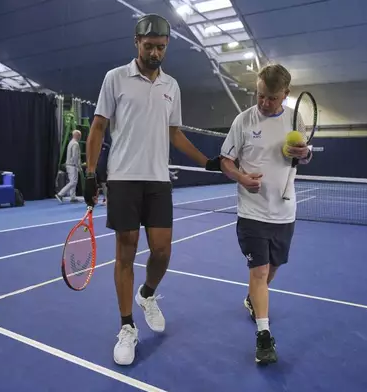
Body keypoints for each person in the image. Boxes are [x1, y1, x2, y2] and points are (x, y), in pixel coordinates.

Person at [83, 13, 221, 366]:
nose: (156, 53)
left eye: (161, 47)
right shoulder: (115, 79)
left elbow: (174, 133)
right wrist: (89, 173)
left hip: (158, 180)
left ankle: (148, 294)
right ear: (136, 43)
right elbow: (98, 128)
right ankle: (127, 327)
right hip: (124, 179)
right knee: (126, 253)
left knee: (161, 252)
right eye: (150, 46)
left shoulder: (171, 86)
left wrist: (207, 161)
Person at [219, 63, 313, 364]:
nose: (264, 103)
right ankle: (263, 336)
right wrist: (242, 178)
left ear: (285, 94)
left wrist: (305, 154)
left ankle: (253, 299)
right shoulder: (243, 121)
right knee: (258, 272)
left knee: (272, 268)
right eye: (260, 96)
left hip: (285, 211)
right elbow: (225, 161)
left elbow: (304, 156)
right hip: (252, 212)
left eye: (272, 98)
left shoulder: (296, 119)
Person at [56, 130, 82, 203]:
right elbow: (75, 156)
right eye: (80, 135)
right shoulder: (75, 144)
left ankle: (73, 197)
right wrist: (78, 166)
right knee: (73, 182)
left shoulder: (71, 143)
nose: (80, 137)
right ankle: (60, 194)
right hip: (72, 165)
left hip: (69, 165)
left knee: (73, 181)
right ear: (77, 135)